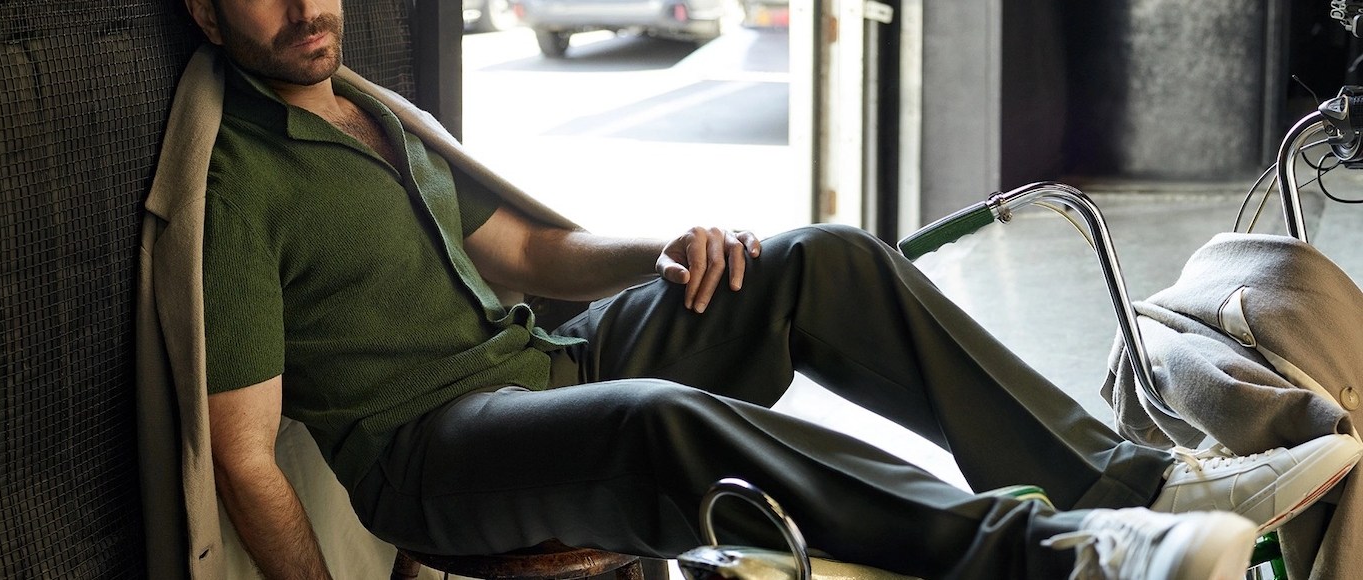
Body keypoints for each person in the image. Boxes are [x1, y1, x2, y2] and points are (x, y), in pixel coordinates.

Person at [170, 0, 1363, 578]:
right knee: (654, 422)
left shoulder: (376, 112)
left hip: (545, 365)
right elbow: (242, 453)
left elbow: (531, 254)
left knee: (815, 258)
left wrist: (668, 249)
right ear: (204, 14)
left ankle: (1128, 480)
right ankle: (1061, 558)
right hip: (436, 452)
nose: (303, 5)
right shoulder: (238, 181)